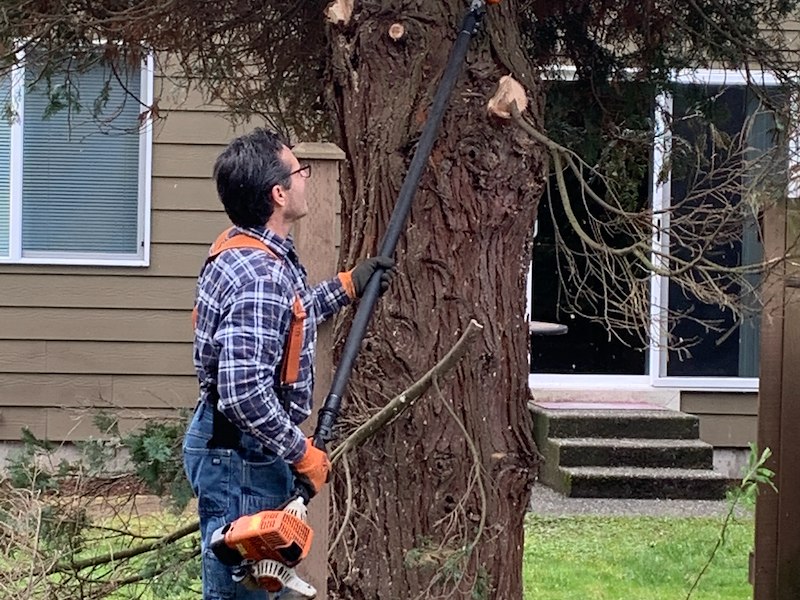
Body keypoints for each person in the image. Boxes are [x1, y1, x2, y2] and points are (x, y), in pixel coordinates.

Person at [183, 128, 394, 599]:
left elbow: (287, 319)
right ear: (278, 194)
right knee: (244, 596)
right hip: (241, 458)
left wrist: (347, 286)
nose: (306, 177)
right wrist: (300, 452)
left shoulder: (243, 249)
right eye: (300, 170)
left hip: (237, 449)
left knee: (260, 588)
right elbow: (242, 391)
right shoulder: (261, 274)